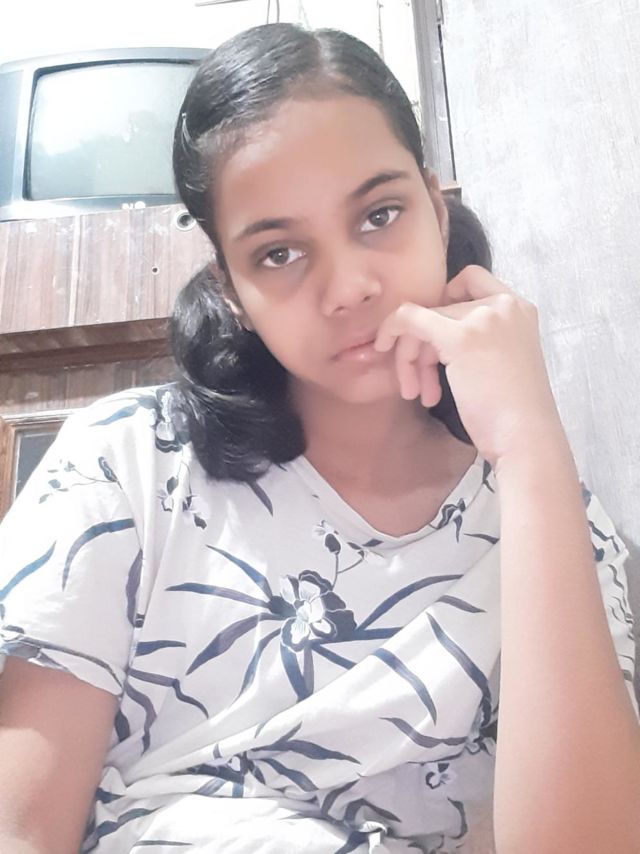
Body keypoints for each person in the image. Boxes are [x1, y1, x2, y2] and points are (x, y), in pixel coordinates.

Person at [0, 22, 638, 854]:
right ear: (230, 289)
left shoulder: (549, 517)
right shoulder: (122, 469)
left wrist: (530, 445)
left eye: (379, 214)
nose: (348, 287)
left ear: (436, 208)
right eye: (279, 253)